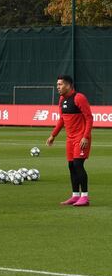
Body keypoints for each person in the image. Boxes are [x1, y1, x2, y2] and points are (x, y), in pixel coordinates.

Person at [46, 75, 93, 207]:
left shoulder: (79, 98)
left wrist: (85, 136)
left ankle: (85, 197)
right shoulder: (61, 100)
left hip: (81, 138)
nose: (58, 87)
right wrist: (53, 135)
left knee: (78, 165)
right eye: (57, 85)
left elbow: (89, 118)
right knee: (71, 166)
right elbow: (62, 119)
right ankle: (75, 195)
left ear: (68, 85)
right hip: (70, 139)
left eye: (60, 85)